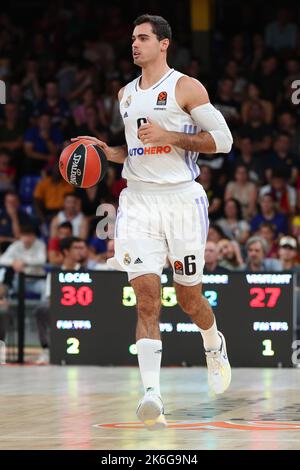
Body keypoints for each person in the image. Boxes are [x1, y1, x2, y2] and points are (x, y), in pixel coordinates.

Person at [71, 14, 233, 430]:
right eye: (132, 38)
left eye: (143, 38)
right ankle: (151, 394)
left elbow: (224, 141)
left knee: (188, 299)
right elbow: (135, 152)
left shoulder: (186, 86)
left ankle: (213, 343)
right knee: (146, 296)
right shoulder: (125, 94)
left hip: (182, 200)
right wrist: (101, 150)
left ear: (164, 44)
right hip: (138, 201)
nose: (135, 44)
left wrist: (172, 136)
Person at [35, 236, 84, 364]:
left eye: (81, 248)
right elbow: (50, 297)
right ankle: (46, 349)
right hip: (60, 309)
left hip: (85, 311)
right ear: (66, 251)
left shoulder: (87, 271)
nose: (80, 251)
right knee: (42, 309)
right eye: (76, 248)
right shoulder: (54, 273)